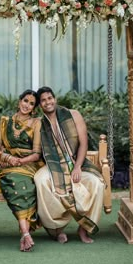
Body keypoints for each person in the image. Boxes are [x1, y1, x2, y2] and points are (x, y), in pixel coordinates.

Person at [34, 86, 105, 244]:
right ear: (40, 105)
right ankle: (56, 229)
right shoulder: (39, 124)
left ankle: (84, 228)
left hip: (76, 163)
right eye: (43, 100)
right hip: (54, 166)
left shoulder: (73, 115)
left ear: (55, 99)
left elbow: (84, 144)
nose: (48, 102)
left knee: (97, 183)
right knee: (40, 179)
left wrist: (78, 166)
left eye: (49, 98)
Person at [0, 90, 44, 252]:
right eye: (25, 101)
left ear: (34, 108)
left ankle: (25, 234)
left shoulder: (36, 123)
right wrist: (9, 159)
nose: (27, 105)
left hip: (28, 165)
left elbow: (37, 154)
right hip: (8, 166)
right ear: (19, 101)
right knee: (13, 181)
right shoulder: (4, 122)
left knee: (25, 185)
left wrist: (21, 160)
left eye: (31, 104)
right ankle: (26, 234)